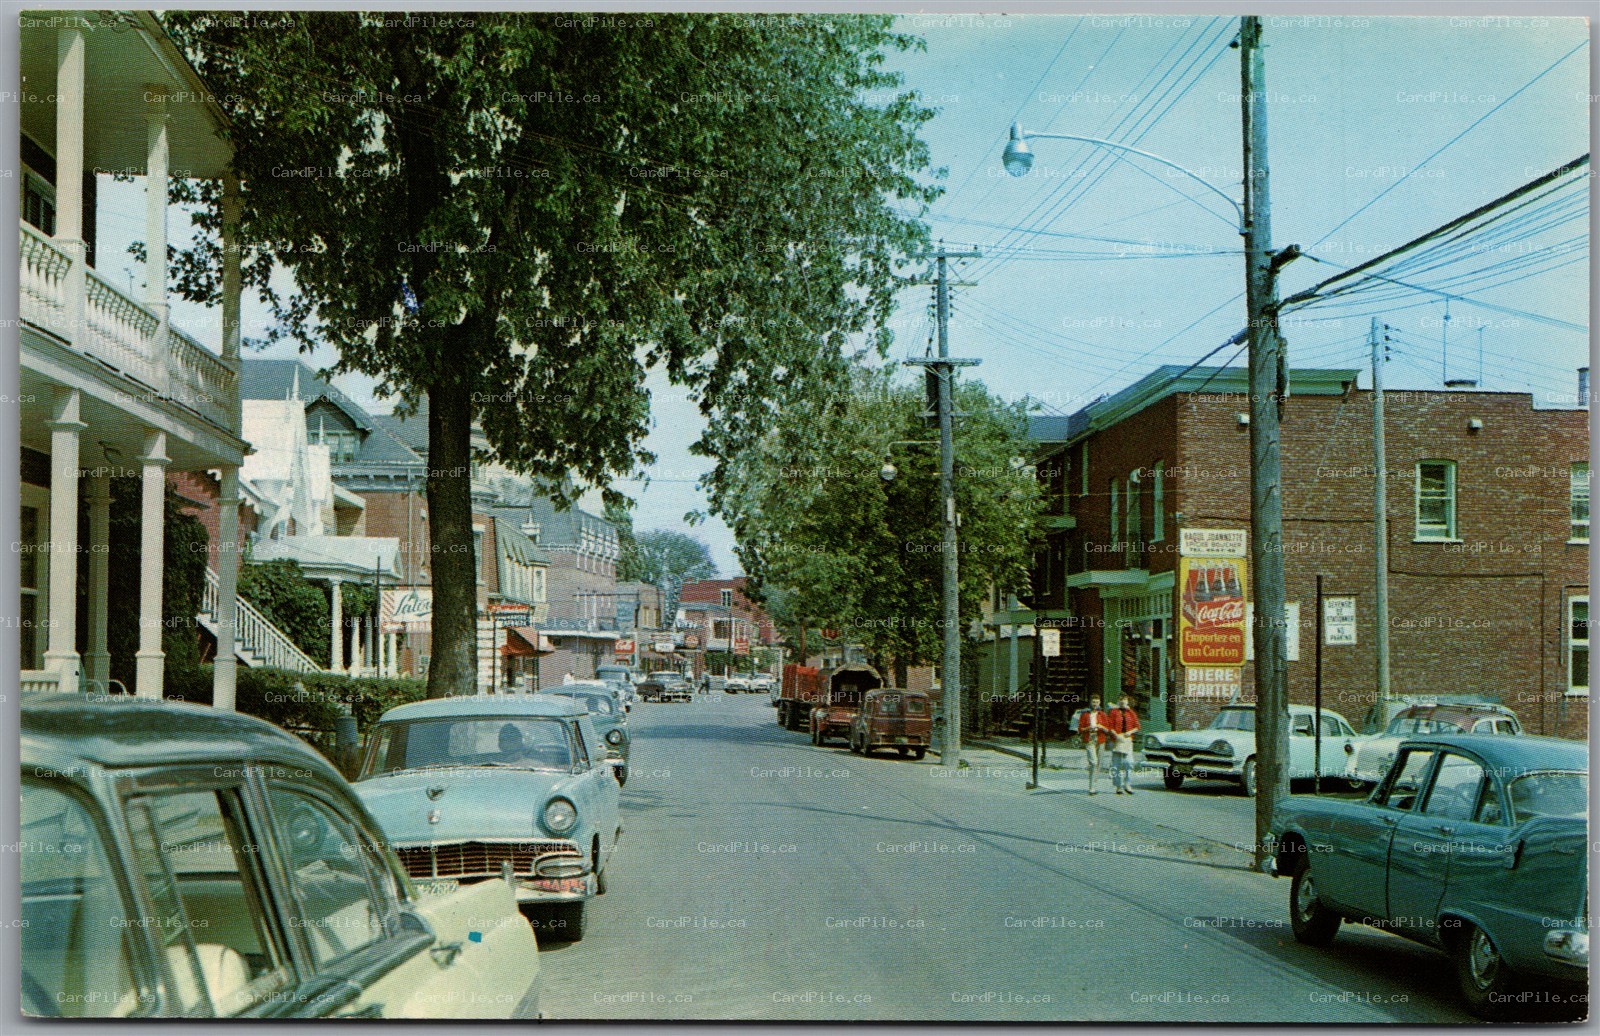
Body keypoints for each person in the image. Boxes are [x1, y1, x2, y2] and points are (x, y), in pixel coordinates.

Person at [1105, 696, 1142, 795]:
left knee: (1128, 763)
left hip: (1127, 740)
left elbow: (1137, 726)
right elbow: (1109, 725)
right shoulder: (1113, 712)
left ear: (1127, 702)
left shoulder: (1131, 713)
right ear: (1118, 701)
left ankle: (1127, 784)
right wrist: (1116, 735)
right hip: (1116, 739)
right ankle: (1118, 786)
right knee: (1116, 764)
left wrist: (1129, 732)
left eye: (1124, 700)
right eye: (1120, 700)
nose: (1122, 702)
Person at [1078, 696, 1110, 795]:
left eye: (1097, 702)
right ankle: (1091, 787)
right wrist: (1088, 728)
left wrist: (1101, 726)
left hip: (1100, 739)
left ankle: (1094, 785)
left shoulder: (1103, 715)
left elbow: (1108, 729)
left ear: (1099, 703)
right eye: (1093, 702)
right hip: (1089, 739)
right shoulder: (1085, 714)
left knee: (1098, 764)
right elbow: (1080, 729)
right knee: (1093, 762)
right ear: (1090, 703)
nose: (1095, 704)